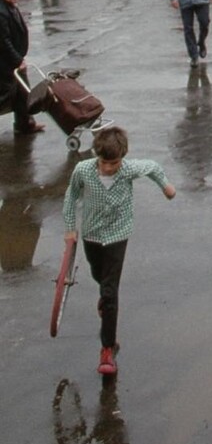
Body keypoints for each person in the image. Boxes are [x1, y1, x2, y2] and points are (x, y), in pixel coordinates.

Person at [61, 124, 176, 377]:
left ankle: (107, 348)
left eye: (114, 163)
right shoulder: (83, 170)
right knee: (98, 276)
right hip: (91, 234)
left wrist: (166, 187)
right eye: (104, 162)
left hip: (117, 235)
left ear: (122, 158)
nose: (109, 167)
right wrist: (70, 228)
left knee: (111, 290)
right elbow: (71, 197)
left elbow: (154, 168)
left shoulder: (128, 170)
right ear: (96, 156)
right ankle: (105, 297)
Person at [0, 0, 44, 136]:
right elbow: (3, 42)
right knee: (6, 97)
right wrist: (18, 60)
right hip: (5, 65)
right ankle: (24, 124)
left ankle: (24, 125)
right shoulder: (1, 12)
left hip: (14, 62)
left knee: (22, 95)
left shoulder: (10, 6)